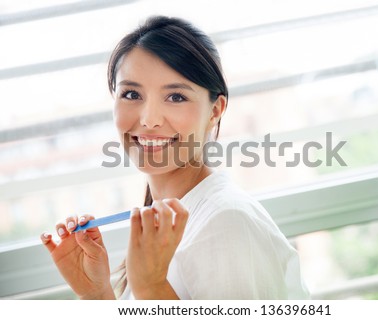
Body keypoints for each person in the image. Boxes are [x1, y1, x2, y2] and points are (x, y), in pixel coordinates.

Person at [40, 15, 309, 300]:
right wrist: (98, 296)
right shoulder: (164, 224)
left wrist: (152, 288)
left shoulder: (227, 223)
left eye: (176, 97)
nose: (149, 119)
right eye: (131, 94)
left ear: (215, 111)